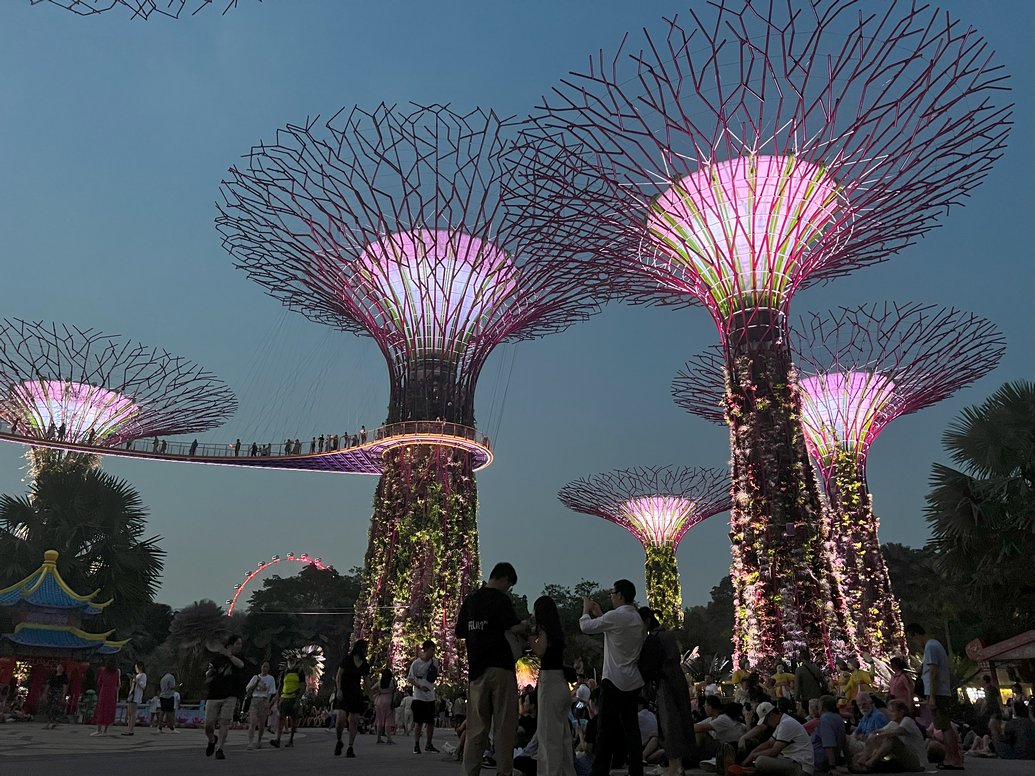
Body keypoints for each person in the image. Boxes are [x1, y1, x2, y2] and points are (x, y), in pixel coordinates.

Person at [455, 561, 526, 776]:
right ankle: (503, 771)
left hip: (477, 671)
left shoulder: (471, 600)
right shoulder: (501, 600)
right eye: (509, 585)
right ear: (504, 579)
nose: (508, 589)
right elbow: (512, 626)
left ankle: (469, 772)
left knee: (476, 729)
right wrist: (526, 626)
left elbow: (460, 631)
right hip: (501, 668)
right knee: (504, 727)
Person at [579, 579, 645, 776]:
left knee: (605, 730)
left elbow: (586, 627)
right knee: (631, 729)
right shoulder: (637, 619)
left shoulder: (616, 617)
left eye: (612, 593)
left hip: (614, 679)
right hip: (633, 680)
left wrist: (585, 610)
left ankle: (600, 770)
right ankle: (636, 769)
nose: (611, 596)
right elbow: (614, 632)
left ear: (620, 595)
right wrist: (601, 615)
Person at [640, 606, 696, 776]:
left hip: (666, 682)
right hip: (674, 681)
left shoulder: (657, 638)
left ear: (647, 622)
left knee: (670, 723)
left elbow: (654, 664)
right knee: (675, 722)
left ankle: (675, 766)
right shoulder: (666, 635)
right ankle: (676, 764)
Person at [905, 622, 963, 769]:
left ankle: (954, 759)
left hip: (937, 692)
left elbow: (933, 672)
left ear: (915, 634)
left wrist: (932, 696)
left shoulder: (930, 647)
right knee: (943, 726)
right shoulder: (934, 645)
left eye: (912, 639)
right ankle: (951, 758)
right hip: (939, 692)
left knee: (944, 727)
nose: (915, 644)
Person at [530, 595, 576, 776]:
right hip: (561, 683)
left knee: (548, 736)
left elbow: (540, 651)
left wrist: (530, 636)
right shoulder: (558, 632)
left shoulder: (543, 630)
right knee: (562, 736)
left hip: (549, 682)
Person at [851, 698, 927, 772]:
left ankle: (869, 764)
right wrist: (874, 737)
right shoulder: (893, 723)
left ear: (901, 712)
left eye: (892, 711)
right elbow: (878, 732)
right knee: (877, 739)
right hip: (902, 760)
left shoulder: (907, 720)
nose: (889, 714)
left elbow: (899, 732)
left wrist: (878, 736)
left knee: (891, 739)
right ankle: (862, 761)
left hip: (918, 763)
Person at [743, 701, 815, 776]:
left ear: (772, 714)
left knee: (760, 761)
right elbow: (769, 743)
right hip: (793, 760)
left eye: (766, 721)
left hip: (801, 768)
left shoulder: (786, 723)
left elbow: (774, 751)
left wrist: (754, 755)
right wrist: (751, 754)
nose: (767, 725)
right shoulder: (782, 722)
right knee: (761, 760)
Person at [204, 635, 245, 760]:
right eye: (238, 643)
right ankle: (212, 740)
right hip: (214, 694)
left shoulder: (238, 658)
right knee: (208, 724)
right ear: (230, 645)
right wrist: (209, 672)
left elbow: (241, 665)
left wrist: (230, 656)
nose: (240, 646)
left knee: (225, 722)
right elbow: (207, 673)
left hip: (230, 695)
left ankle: (220, 748)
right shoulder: (217, 658)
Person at [333, 639, 370, 758]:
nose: (366, 651)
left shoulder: (364, 664)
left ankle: (350, 746)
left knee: (354, 720)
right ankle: (339, 740)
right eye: (364, 649)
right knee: (340, 719)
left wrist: (369, 695)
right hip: (344, 692)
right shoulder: (347, 660)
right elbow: (339, 675)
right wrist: (338, 689)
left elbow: (366, 681)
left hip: (356, 693)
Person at [407, 639, 440, 754]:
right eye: (431, 650)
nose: (433, 652)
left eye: (434, 650)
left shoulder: (435, 662)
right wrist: (420, 686)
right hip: (419, 696)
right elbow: (410, 678)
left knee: (431, 722)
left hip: (430, 695)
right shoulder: (416, 663)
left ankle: (429, 744)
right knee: (419, 722)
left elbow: (436, 674)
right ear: (425, 649)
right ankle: (416, 745)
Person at [271, 655, 305, 749]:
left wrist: (298, 699)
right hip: (284, 697)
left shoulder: (300, 672)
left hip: (294, 697)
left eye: (292, 660)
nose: (290, 662)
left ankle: (291, 740)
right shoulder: (284, 672)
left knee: (294, 719)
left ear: (295, 661)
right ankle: (278, 739)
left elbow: (302, 686)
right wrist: (278, 698)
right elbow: (280, 686)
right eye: (289, 660)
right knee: (281, 718)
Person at [811, 695, 848, 772]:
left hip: (820, 760)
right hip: (832, 758)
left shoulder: (825, 719)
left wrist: (832, 767)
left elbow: (829, 745)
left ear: (822, 706)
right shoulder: (838, 717)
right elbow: (843, 742)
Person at [245, 661, 276, 750]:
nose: (264, 668)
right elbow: (248, 689)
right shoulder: (255, 677)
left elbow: (271, 691)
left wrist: (268, 702)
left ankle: (259, 741)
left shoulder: (271, 679)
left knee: (262, 724)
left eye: (266, 667)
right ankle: (250, 742)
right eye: (263, 666)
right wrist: (256, 682)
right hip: (255, 699)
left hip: (264, 699)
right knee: (253, 721)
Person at [92, 658, 120, 735]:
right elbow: (118, 683)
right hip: (112, 692)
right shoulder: (116, 672)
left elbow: (99, 682)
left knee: (101, 709)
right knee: (109, 710)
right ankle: (105, 730)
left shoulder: (103, 671)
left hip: (104, 691)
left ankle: (99, 729)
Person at [373, 668, 397, 745]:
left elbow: (372, 689)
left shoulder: (379, 682)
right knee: (388, 720)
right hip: (389, 701)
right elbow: (395, 692)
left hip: (379, 701)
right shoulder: (392, 682)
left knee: (379, 720)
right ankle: (389, 738)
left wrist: (378, 692)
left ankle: (378, 738)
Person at [123, 662, 147, 736]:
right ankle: (128, 728)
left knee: (132, 713)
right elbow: (132, 686)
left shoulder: (143, 675)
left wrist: (136, 680)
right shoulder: (137, 675)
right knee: (129, 713)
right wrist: (131, 679)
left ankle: (131, 729)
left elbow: (143, 686)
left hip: (136, 696)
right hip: (132, 694)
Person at [43, 663, 68, 729]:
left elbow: (64, 686)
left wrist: (63, 695)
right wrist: (45, 693)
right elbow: (48, 685)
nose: (60, 668)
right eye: (59, 667)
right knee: (49, 707)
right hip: (51, 692)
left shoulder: (64, 677)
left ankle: (54, 721)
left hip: (58, 692)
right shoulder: (52, 675)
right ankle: (48, 722)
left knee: (55, 707)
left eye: (61, 667)